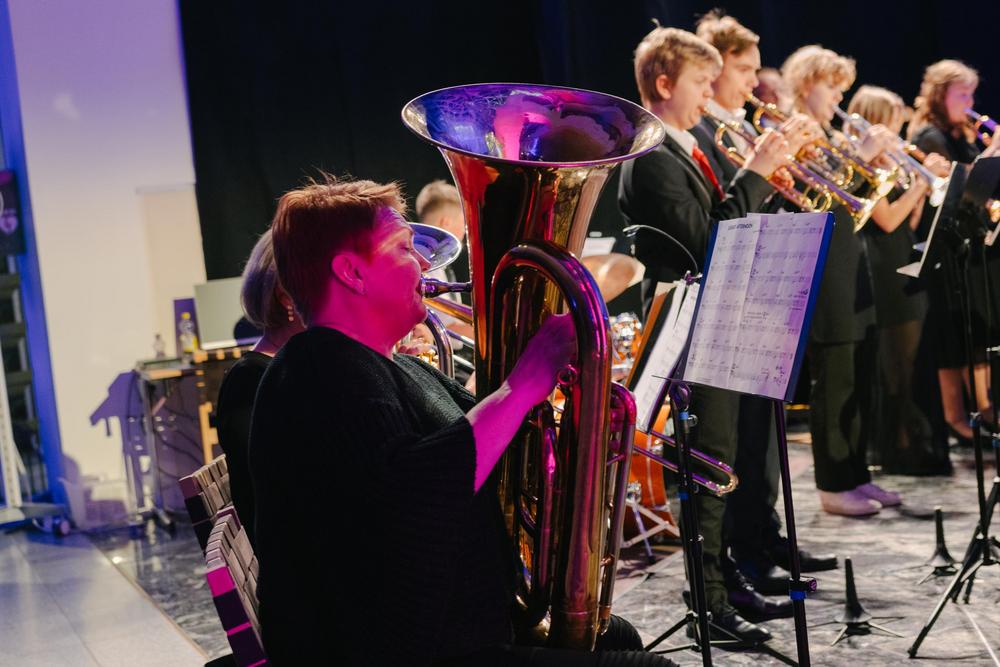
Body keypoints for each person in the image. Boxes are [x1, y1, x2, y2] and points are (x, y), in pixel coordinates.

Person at [249, 175, 674, 666]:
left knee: (619, 637)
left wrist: (570, 403)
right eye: (403, 247)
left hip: (452, 626)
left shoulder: (384, 364)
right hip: (404, 650)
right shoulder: (316, 369)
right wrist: (524, 383)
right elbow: (414, 495)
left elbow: (477, 435)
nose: (423, 262)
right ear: (351, 273)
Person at [619, 24, 793, 644]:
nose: (709, 93)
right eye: (700, 82)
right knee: (706, 464)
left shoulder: (688, 146)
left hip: (720, 321)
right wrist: (754, 174)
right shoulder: (649, 158)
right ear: (665, 84)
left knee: (727, 461)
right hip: (690, 326)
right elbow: (708, 243)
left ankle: (725, 581)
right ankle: (708, 601)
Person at [692, 11, 838, 608]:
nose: (754, 83)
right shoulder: (706, 134)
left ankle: (761, 542)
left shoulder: (732, 129)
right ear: (713, 69)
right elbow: (723, 218)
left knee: (762, 442)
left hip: (762, 295)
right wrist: (761, 169)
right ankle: (739, 559)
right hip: (727, 308)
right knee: (738, 447)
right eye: (744, 70)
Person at [781, 45, 900, 516]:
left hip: (852, 259)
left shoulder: (829, 132)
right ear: (806, 83)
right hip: (822, 265)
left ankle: (856, 473)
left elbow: (856, 200)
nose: (838, 97)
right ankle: (832, 485)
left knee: (859, 371)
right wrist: (859, 156)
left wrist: (874, 167)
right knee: (834, 376)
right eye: (832, 86)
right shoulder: (795, 130)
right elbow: (814, 198)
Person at [846, 86, 953, 475]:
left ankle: (913, 443)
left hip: (902, 258)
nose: (897, 135)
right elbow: (887, 220)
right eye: (891, 125)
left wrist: (924, 184)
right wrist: (923, 183)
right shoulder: (864, 166)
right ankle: (898, 449)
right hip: (882, 268)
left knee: (912, 362)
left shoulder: (890, 163)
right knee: (898, 363)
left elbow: (908, 221)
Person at [908, 60, 998, 445]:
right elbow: (958, 184)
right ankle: (960, 417)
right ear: (941, 95)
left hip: (971, 246)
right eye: (962, 94)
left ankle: (984, 410)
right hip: (945, 247)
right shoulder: (930, 136)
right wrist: (995, 150)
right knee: (954, 335)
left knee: (976, 332)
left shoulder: (964, 134)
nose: (970, 102)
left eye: (972, 94)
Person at [214, 229, 303, 548]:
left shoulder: (291, 368)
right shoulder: (251, 380)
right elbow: (288, 491)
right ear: (286, 297)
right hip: (295, 558)